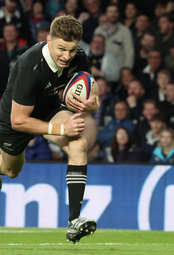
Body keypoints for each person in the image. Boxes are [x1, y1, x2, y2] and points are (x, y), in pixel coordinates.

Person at [0, 15, 99, 243]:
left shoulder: (79, 57)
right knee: (11, 171)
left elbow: (91, 91)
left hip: (50, 108)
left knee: (78, 144)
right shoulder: (29, 66)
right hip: (16, 117)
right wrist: (62, 129)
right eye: (62, 49)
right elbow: (19, 121)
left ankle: (74, 222)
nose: (67, 56)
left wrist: (94, 104)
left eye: (72, 50)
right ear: (48, 41)